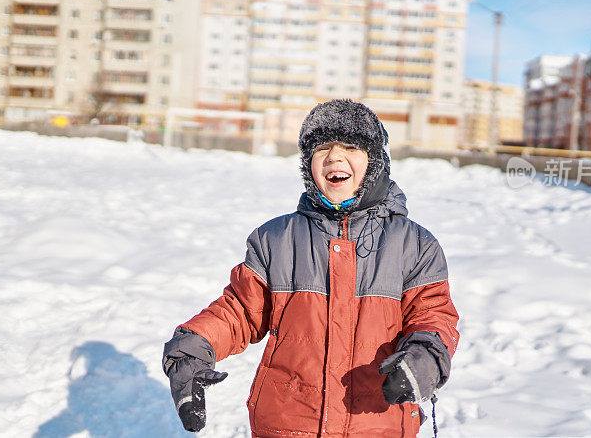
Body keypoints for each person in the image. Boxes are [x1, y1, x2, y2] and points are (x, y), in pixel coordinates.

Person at [162, 99, 459, 437]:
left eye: (349, 146)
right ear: (308, 165)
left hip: (376, 421)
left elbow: (433, 315)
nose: (334, 157)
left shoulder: (414, 245)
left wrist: (425, 357)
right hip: (288, 423)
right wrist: (194, 346)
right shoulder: (276, 239)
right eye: (322, 149)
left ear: (374, 161)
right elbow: (240, 311)